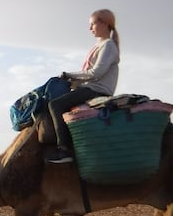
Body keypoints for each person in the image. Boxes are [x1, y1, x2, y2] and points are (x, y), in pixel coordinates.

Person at [47, 9, 120, 164]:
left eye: (92, 24)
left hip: (97, 90)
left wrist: (69, 75)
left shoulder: (108, 45)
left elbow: (96, 73)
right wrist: (71, 82)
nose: (90, 28)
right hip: (90, 88)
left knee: (55, 105)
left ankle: (64, 149)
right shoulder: (100, 45)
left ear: (104, 23)